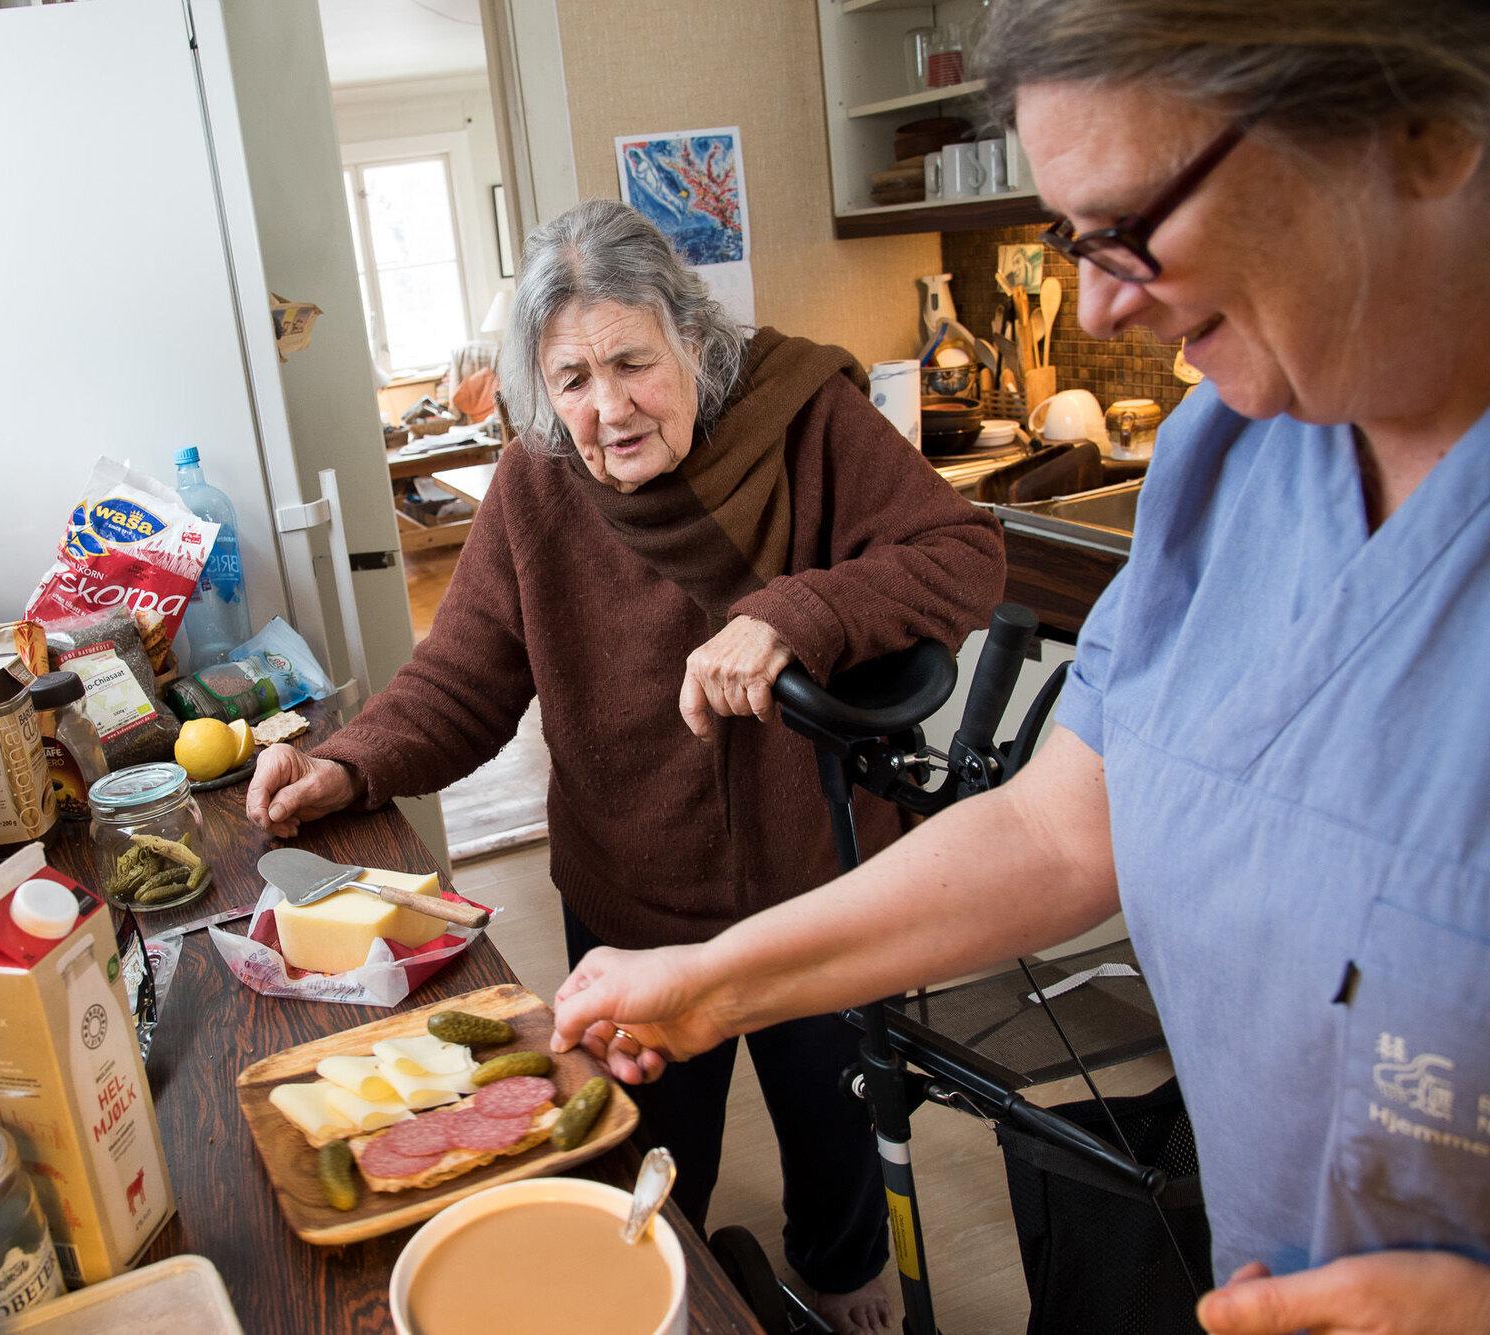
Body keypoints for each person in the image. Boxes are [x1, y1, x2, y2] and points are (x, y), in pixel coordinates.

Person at [550, 5, 1490, 1333]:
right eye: (1071, 237)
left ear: (1424, 131)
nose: (1098, 299)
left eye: (1128, 223)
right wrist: (712, 977)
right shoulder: (1231, 451)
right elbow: (1064, 823)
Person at [247, 199, 1004, 1333]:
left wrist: (795, 611)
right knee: (647, 1164)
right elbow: (460, 681)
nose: (607, 409)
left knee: (836, 1137)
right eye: (571, 380)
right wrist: (348, 765)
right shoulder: (534, 486)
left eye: (631, 363)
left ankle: (842, 1289)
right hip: (634, 901)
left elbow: (961, 552)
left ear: (689, 339)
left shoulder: (811, 422)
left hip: (821, 885)